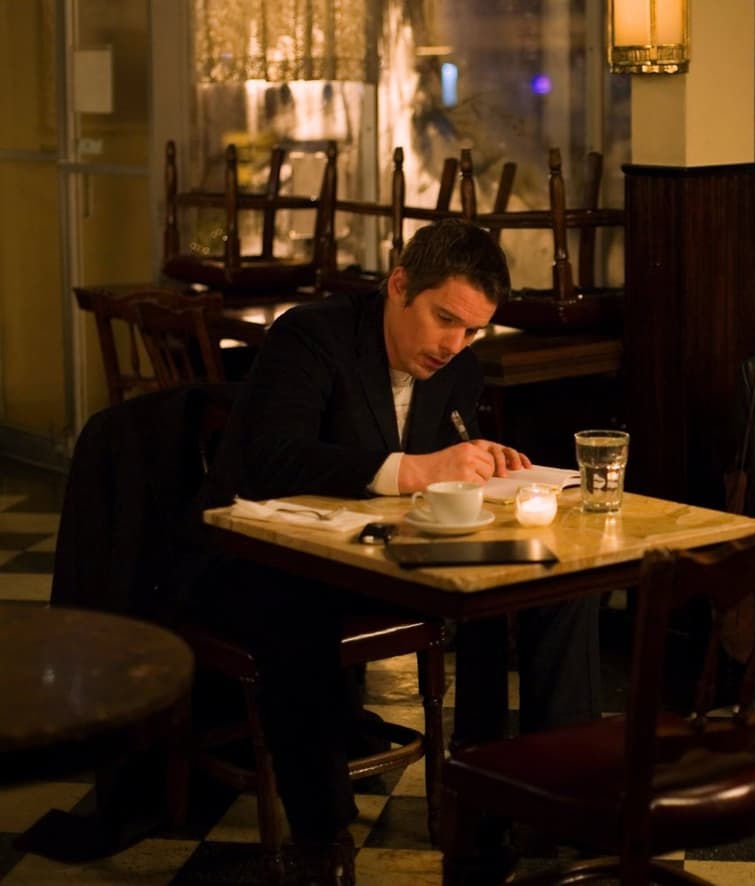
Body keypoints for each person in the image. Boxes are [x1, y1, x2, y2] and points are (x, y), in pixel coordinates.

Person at [190, 220, 601, 885]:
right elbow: (274, 458)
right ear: (400, 284)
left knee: (546, 581)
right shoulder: (312, 336)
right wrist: (415, 470)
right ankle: (322, 838)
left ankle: (532, 797)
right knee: (299, 611)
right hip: (271, 556)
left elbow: (442, 460)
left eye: (473, 331)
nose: (454, 345)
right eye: (445, 319)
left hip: (386, 549)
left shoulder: (457, 365)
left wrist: (480, 462)